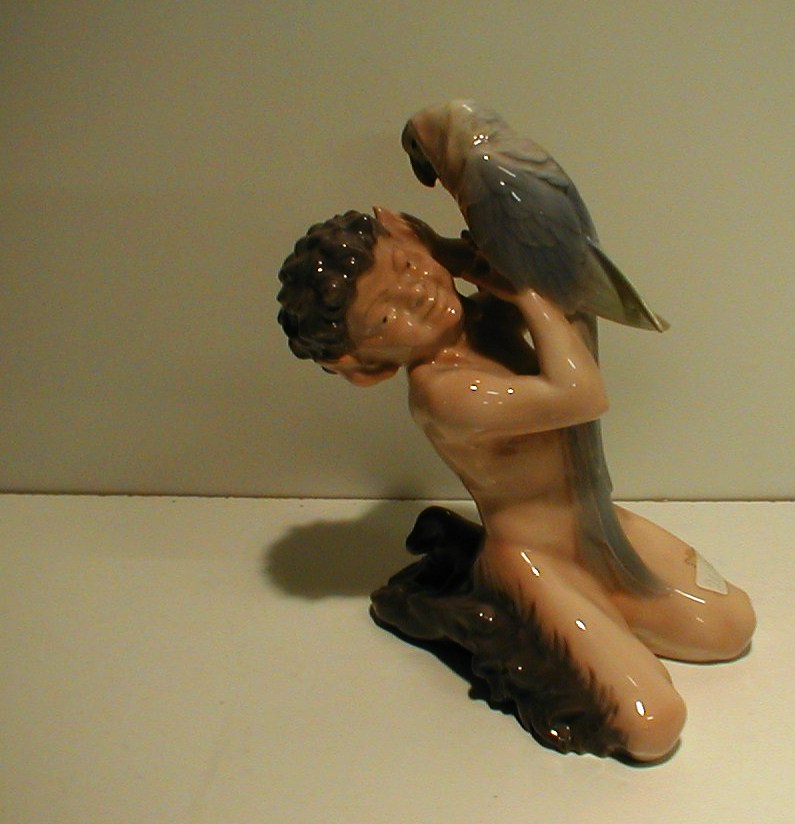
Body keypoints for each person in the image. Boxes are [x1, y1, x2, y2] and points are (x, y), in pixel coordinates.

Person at [277, 207, 755, 761]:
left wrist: (457, 255)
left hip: (597, 525)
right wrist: (526, 292)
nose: (416, 293)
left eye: (407, 265)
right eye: (385, 314)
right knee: (652, 725)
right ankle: (539, 619)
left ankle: (607, 616)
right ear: (366, 365)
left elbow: (553, 285)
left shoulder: (480, 323)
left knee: (731, 625)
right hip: (536, 555)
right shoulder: (445, 394)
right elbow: (581, 394)